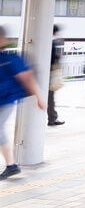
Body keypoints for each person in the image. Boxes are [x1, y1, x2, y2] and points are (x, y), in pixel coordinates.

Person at [0, 26, 46, 180]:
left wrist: (39, 97)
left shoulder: (11, 59)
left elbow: (28, 78)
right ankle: (11, 166)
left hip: (6, 100)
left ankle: (11, 166)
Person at [47, 24, 65, 126]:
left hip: (40, 73)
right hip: (49, 73)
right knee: (50, 97)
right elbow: (53, 59)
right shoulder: (52, 43)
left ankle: (52, 118)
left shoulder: (43, 40)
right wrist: (58, 57)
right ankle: (52, 119)